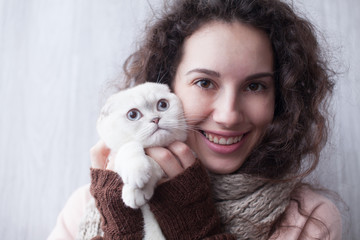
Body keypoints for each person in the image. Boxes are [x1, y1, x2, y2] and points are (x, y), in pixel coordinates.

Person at [48, 0, 342, 239]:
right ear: (166, 88)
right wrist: (121, 223)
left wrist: (193, 226)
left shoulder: (307, 221)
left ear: (280, 99)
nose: (228, 116)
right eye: (204, 83)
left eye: (255, 86)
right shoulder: (91, 204)